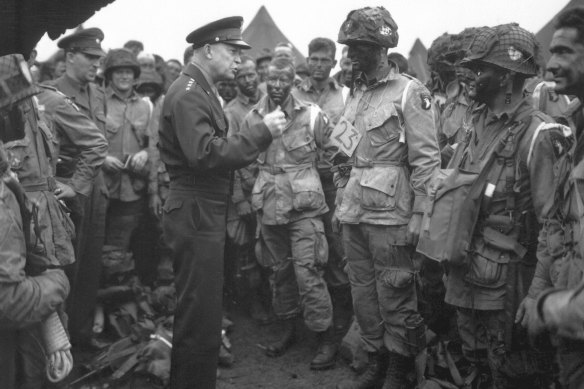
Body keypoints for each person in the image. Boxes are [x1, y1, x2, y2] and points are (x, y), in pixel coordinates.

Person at [158, 16, 284, 389]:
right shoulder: (188, 92)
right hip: (196, 210)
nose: (238, 61)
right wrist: (260, 133)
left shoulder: (200, 88)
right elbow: (204, 153)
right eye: (232, 52)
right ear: (208, 49)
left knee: (205, 312)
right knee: (199, 316)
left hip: (203, 210)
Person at [440, 23, 568, 388]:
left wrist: (536, 293)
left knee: (510, 368)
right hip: (467, 269)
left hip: (510, 283)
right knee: (475, 360)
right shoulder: (474, 123)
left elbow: (555, 225)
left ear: (508, 77)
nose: (472, 77)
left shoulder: (541, 135)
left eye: (482, 70)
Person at [333, 7, 440, 389]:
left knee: (395, 291)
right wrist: (339, 200)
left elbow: (427, 161)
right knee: (362, 293)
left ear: (381, 48)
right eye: (349, 47)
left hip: (393, 213)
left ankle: (400, 367)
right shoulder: (356, 93)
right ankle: (376, 359)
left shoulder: (412, 92)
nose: (352, 54)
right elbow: (342, 153)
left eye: (360, 46)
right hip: (354, 211)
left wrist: (420, 216)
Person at [243, 57, 337, 369]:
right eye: (272, 79)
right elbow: (241, 159)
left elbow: (341, 150)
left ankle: (324, 337)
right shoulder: (253, 117)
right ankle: (289, 329)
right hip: (269, 206)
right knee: (279, 272)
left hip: (305, 207)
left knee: (308, 272)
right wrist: (250, 196)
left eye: (284, 80)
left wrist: (342, 189)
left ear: (294, 80)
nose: (278, 86)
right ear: (263, 79)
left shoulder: (311, 113)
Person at [523, 7, 584, 388]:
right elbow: (557, 222)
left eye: (564, 52)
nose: (551, 64)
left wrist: (550, 307)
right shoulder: (571, 127)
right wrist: (540, 292)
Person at [44, 27, 109, 348]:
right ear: (70, 57)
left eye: (99, 58)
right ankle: (61, 341)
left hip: (96, 191)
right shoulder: (51, 94)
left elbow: (100, 142)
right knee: (65, 266)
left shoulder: (98, 94)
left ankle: (81, 333)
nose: (96, 64)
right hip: (67, 189)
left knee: (90, 265)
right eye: (90, 58)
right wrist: (73, 185)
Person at [295, 36, 353, 365]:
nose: (318, 64)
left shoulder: (343, 95)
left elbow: (351, 138)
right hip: (302, 180)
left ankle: (341, 326)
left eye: (324, 59)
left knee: (337, 249)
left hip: (332, 180)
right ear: (307, 60)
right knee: (309, 252)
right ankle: (317, 329)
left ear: (333, 62)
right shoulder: (293, 93)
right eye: (313, 58)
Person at [223, 55, 270, 322]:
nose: (248, 80)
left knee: (269, 244)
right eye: (242, 76)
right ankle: (252, 303)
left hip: (272, 184)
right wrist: (239, 198)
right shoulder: (231, 112)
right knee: (245, 250)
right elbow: (231, 156)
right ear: (236, 80)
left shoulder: (270, 101)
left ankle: (270, 299)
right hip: (247, 187)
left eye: (251, 74)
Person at [102, 49, 152, 258]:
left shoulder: (145, 106)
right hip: (103, 186)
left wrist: (146, 153)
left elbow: (156, 143)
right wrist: (102, 158)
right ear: (110, 76)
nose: (124, 77)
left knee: (124, 246)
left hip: (133, 188)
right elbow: (84, 142)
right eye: (119, 72)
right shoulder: (99, 102)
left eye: (128, 72)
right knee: (97, 245)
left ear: (135, 76)